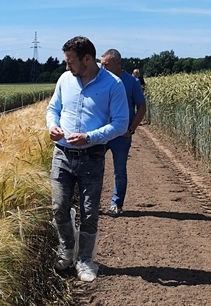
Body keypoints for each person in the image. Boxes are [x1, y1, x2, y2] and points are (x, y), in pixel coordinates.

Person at [46, 36, 128, 282]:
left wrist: (90, 137)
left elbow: (121, 123)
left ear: (87, 59)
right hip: (62, 154)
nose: (67, 67)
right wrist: (52, 126)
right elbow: (53, 109)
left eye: (70, 62)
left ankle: (85, 260)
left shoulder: (113, 85)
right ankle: (67, 248)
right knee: (59, 207)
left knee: (89, 212)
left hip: (91, 157)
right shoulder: (64, 80)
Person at [101, 50, 147, 216]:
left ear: (118, 63)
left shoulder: (132, 82)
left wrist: (131, 129)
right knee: (95, 169)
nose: (102, 67)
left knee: (119, 171)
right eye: (101, 64)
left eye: (106, 64)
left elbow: (142, 107)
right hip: (102, 134)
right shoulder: (100, 80)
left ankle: (116, 204)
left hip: (122, 135)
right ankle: (92, 204)